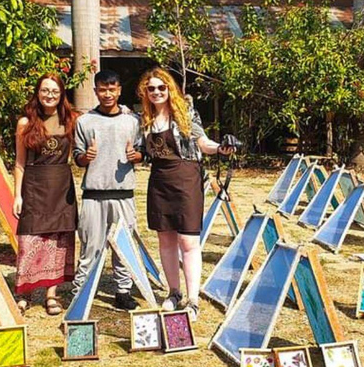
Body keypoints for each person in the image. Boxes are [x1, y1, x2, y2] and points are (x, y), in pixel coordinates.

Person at [137, 67, 235, 321]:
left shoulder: (186, 114)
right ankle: (173, 292)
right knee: (166, 240)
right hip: (159, 180)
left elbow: (204, 143)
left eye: (162, 87)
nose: (157, 92)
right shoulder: (144, 120)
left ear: (170, 88)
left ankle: (193, 299)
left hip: (187, 178)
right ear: (145, 93)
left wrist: (221, 149)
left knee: (189, 242)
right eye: (152, 89)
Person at [73, 69, 144, 311]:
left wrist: (136, 156)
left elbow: (141, 152)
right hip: (94, 194)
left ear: (119, 90)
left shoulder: (133, 121)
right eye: (102, 89)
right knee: (90, 245)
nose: (107, 94)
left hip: (124, 193)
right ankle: (81, 291)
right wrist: (86, 156)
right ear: (95, 91)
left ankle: (123, 291)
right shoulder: (84, 121)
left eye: (112, 89)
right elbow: (77, 157)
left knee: (123, 245)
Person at [13, 74, 78, 315]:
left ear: (62, 94)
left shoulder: (72, 119)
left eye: (55, 91)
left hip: (62, 187)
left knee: (59, 241)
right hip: (34, 186)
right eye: (45, 90)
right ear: (37, 93)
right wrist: (17, 195)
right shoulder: (25, 123)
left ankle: (52, 294)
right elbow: (19, 163)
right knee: (30, 240)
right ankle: (25, 292)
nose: (49, 95)